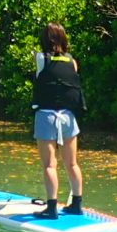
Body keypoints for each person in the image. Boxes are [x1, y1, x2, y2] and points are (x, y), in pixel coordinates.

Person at [31, 22, 86, 219]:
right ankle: (76, 205)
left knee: (49, 165)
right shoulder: (72, 61)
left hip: (46, 115)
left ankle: (52, 208)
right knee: (71, 164)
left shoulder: (41, 58)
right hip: (68, 117)